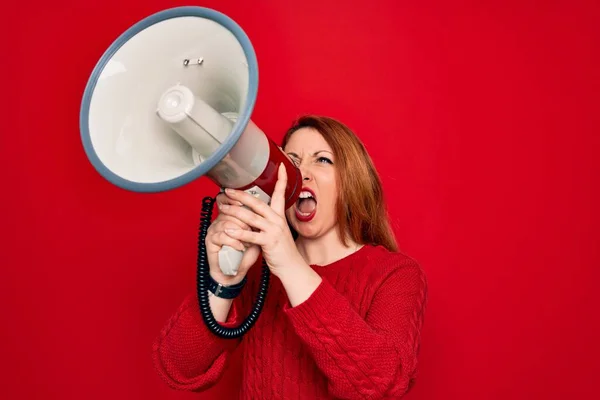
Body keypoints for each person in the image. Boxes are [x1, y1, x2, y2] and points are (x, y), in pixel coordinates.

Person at [152, 115, 428, 399]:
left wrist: (290, 265)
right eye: (292, 162)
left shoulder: (396, 274)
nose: (302, 173)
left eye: (322, 160)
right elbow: (181, 369)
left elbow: (380, 385)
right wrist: (224, 279)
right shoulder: (257, 272)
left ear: (353, 179)